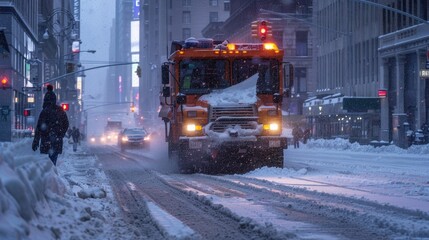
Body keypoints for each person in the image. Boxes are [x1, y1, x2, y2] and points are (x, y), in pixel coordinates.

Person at [32, 85, 69, 166]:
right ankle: (52, 174)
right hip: (56, 140)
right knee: (53, 159)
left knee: (46, 162)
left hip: (46, 139)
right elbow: (66, 124)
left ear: (45, 100)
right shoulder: (60, 111)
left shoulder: (44, 112)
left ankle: (49, 175)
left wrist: (36, 141)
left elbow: (39, 127)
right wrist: (60, 134)